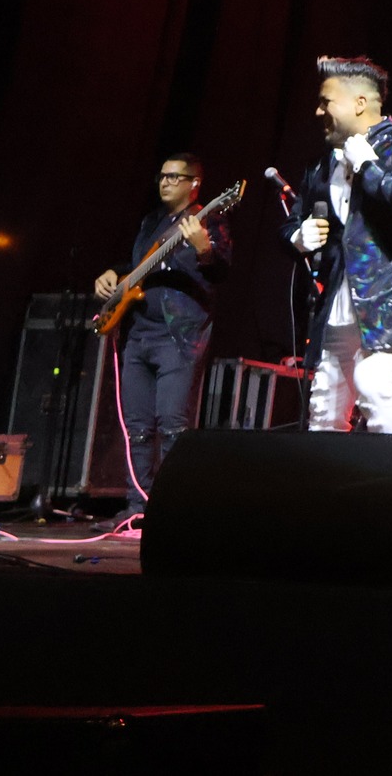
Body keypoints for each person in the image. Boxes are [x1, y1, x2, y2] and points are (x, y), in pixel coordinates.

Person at [288, 55, 392, 435]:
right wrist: (296, 236)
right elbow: (296, 219)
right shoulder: (320, 164)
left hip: (389, 296)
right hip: (338, 296)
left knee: (373, 382)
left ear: (359, 103)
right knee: (325, 406)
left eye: (327, 101)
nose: (318, 110)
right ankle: (329, 492)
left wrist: (369, 169)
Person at [91, 154, 230, 520]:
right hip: (137, 333)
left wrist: (203, 248)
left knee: (172, 426)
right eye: (162, 176)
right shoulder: (152, 221)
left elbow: (220, 271)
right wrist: (113, 274)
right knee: (137, 427)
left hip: (177, 335)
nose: (165, 182)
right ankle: (138, 506)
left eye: (174, 176)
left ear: (193, 183)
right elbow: (140, 266)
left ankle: (171, 510)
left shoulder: (210, 220)